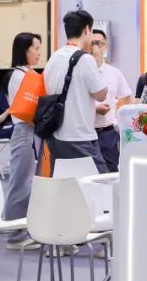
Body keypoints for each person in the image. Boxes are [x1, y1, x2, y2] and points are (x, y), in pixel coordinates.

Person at [44, 10, 108, 174]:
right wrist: (97, 64)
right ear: (87, 29)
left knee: (65, 184)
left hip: (56, 137)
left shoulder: (54, 58)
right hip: (81, 137)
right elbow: (101, 94)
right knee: (100, 184)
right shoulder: (85, 59)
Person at [2, 31, 44, 249]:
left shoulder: (29, 74)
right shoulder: (20, 76)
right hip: (24, 130)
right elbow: (26, 109)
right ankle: (15, 235)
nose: (39, 52)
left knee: (27, 182)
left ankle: (23, 228)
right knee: (20, 182)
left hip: (31, 132)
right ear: (24, 50)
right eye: (35, 48)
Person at [89, 29, 132, 172]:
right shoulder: (80, 72)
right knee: (86, 173)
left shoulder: (114, 73)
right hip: (85, 132)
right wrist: (94, 108)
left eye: (98, 43)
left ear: (105, 47)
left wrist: (117, 119)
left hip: (107, 133)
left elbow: (126, 97)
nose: (95, 48)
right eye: (91, 43)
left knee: (110, 172)